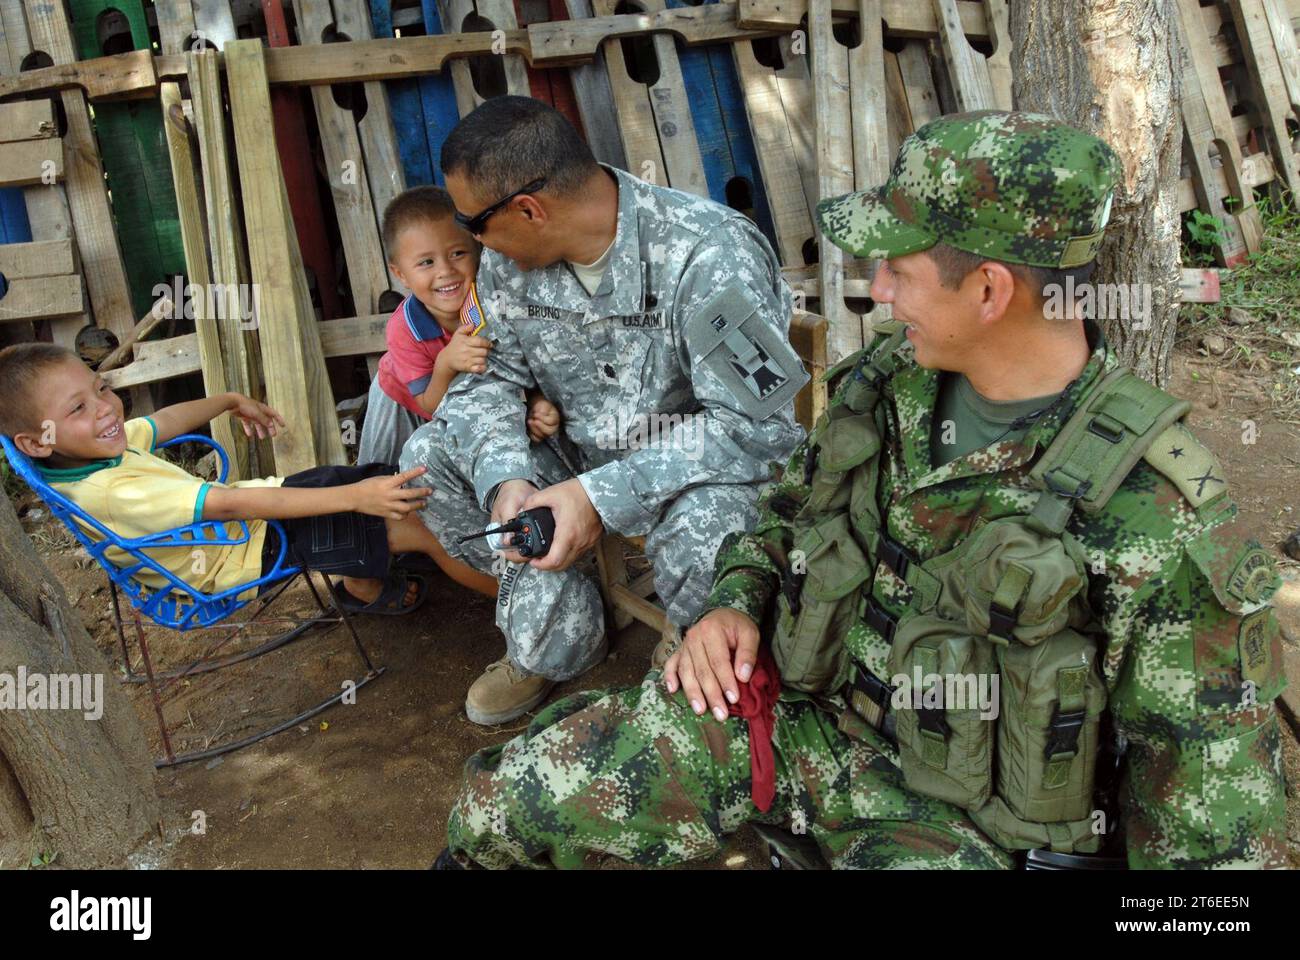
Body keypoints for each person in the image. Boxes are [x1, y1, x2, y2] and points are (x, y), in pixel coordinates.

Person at [433, 111, 1288, 869]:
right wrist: (735, 599)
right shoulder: (888, 382)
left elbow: (1220, 855)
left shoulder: (1158, 516)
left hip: (958, 831)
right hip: (806, 729)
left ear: (990, 290)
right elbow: (785, 513)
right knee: (503, 804)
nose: (875, 291)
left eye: (898, 272)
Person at [401, 96, 807, 725]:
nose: (471, 240)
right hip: (577, 450)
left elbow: (758, 430)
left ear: (528, 209)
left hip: (685, 466)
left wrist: (597, 498)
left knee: (708, 534)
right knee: (429, 459)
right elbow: (490, 377)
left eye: (472, 222)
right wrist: (507, 478)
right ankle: (562, 632)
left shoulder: (707, 253)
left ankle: (696, 650)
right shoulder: (511, 264)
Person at [0, 343, 496, 610]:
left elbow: (159, 423)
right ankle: (522, 608)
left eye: (101, 388)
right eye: (79, 407)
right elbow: (231, 507)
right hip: (246, 555)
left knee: (360, 481)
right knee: (422, 529)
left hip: (253, 520)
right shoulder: (111, 491)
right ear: (35, 441)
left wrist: (228, 400)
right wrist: (357, 497)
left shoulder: (91, 450)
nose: (106, 408)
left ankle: (361, 582)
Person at [355, 186, 563, 467]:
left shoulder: (496, 305)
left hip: (462, 407)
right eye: (426, 262)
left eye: (457, 254)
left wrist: (536, 404)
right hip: (403, 399)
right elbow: (429, 404)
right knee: (382, 477)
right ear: (400, 274)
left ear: (478, 249)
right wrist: (445, 363)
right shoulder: (404, 329)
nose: (445, 271)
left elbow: (524, 371)